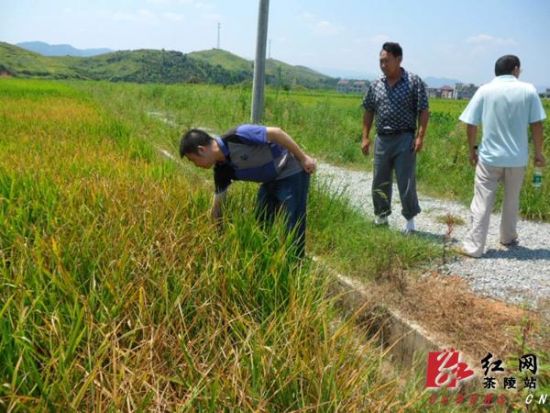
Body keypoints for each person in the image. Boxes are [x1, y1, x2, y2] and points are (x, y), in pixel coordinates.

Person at [179, 124, 316, 258]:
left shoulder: (238, 135)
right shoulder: (222, 171)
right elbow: (217, 208)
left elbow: (276, 133)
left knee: (293, 222)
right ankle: (267, 259)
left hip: (290, 170)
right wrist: (216, 240)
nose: (195, 165)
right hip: (270, 180)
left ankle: (295, 264)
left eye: (193, 160)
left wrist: (303, 158)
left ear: (201, 150)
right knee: (261, 220)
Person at [458, 55, 546, 258]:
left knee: (482, 201)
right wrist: (539, 153)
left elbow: (471, 123)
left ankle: (475, 246)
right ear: (515, 69)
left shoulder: (485, 90)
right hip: (517, 158)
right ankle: (507, 237)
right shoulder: (528, 90)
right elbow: (537, 125)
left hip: (489, 158)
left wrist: (472, 150)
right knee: (511, 199)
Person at [361, 42, 429, 234]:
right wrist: (365, 137)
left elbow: (423, 110)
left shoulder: (413, 82)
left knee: (405, 181)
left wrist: (420, 136)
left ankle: (410, 222)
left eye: (386, 61)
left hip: (405, 138)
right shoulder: (376, 85)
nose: (383, 65)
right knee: (379, 179)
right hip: (382, 139)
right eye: (380, 61)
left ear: (399, 59)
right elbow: (368, 111)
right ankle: (381, 218)